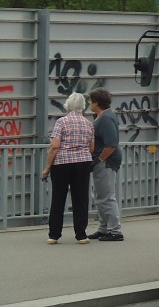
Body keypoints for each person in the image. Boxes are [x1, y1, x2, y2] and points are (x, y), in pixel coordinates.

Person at [42, 92, 95, 244]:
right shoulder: (88, 123)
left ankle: (54, 235)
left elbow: (55, 146)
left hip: (62, 163)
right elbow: (92, 148)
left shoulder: (61, 122)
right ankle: (81, 235)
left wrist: (47, 168)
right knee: (81, 199)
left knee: (58, 198)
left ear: (68, 106)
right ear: (82, 107)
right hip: (83, 163)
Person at [87, 88, 124, 241]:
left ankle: (115, 230)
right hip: (104, 160)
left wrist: (99, 159)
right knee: (100, 195)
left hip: (106, 161)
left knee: (107, 196)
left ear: (96, 102)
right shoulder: (103, 116)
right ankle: (104, 227)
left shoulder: (106, 118)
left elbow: (111, 144)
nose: (89, 104)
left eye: (90, 101)